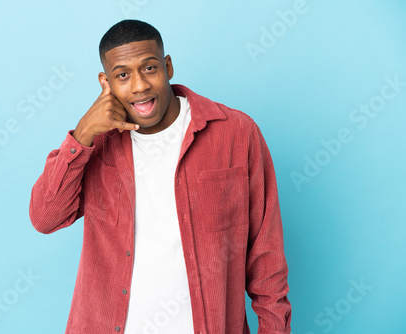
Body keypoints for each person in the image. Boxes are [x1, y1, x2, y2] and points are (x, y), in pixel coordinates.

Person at [29, 19, 292, 334]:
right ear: (106, 82)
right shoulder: (95, 144)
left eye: (149, 68)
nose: (139, 86)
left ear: (168, 66)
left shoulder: (235, 133)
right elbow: (46, 218)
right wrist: (82, 134)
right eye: (123, 75)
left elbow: (267, 256)